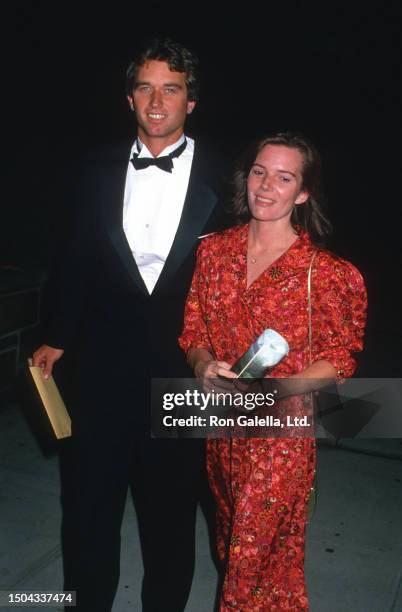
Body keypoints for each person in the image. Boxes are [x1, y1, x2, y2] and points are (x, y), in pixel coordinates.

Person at [32, 38, 227, 612]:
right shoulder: (91, 168)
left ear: (192, 101)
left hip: (184, 377)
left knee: (170, 523)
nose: (158, 99)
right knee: (88, 513)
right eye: (146, 86)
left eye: (172, 88)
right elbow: (70, 259)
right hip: (96, 370)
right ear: (129, 97)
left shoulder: (231, 176)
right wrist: (56, 335)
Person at [179, 131, 367, 610]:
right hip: (222, 431)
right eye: (260, 172)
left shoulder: (325, 274)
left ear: (302, 192)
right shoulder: (213, 253)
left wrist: (273, 390)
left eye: (284, 178)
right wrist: (203, 366)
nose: (267, 186)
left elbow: (341, 356)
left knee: (248, 561)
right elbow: (193, 330)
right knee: (242, 555)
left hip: (281, 441)